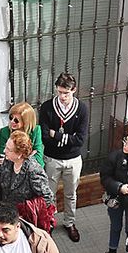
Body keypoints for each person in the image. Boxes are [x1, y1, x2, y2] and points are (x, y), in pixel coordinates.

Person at [40, 72, 88, 243]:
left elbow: (80, 140)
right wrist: (68, 138)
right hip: (52, 158)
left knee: (71, 194)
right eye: (59, 92)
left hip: (73, 159)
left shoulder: (81, 108)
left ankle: (70, 223)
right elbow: (45, 136)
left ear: (73, 90)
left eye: (66, 93)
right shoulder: (47, 107)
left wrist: (57, 136)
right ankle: (49, 222)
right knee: (49, 193)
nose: (62, 96)